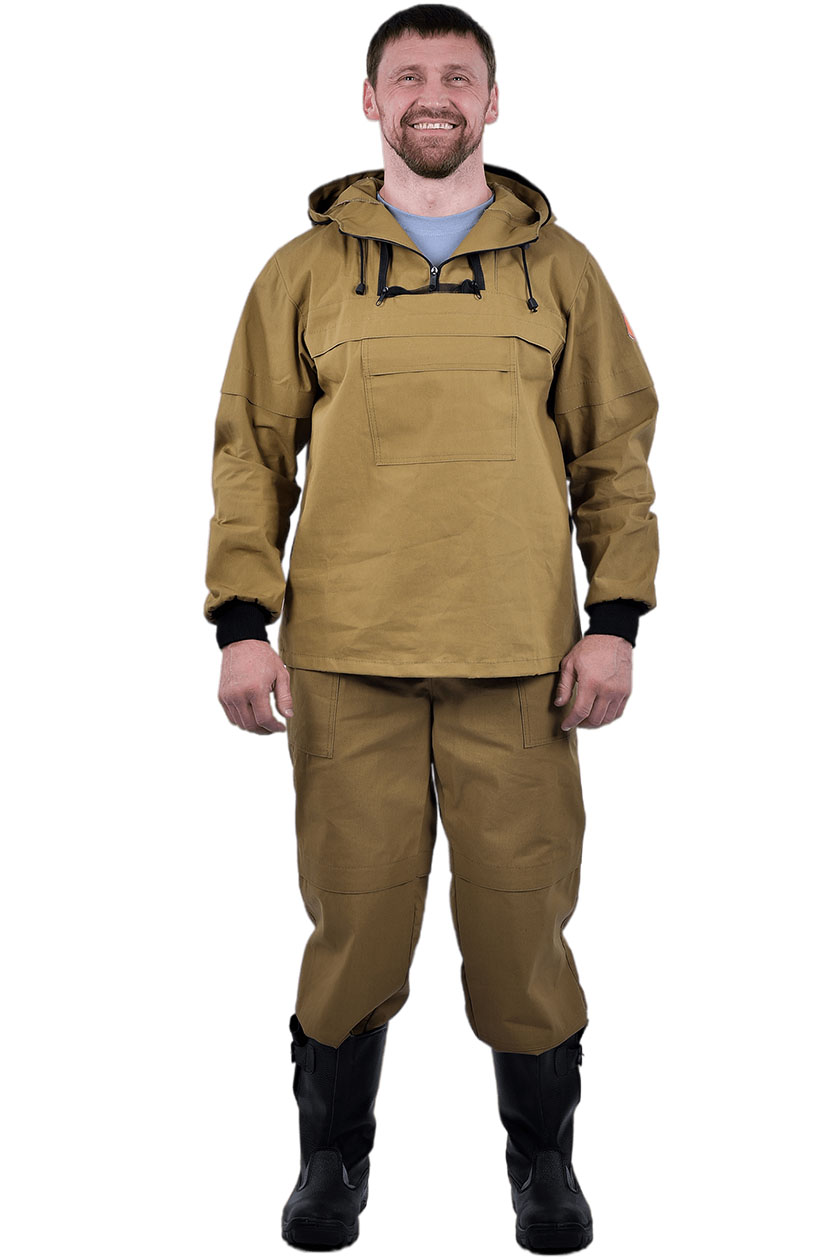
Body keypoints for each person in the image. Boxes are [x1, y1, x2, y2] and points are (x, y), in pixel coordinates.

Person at [203, 5, 659, 1253]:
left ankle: (544, 1166)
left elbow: (616, 457)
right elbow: (249, 456)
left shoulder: (562, 269)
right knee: (355, 926)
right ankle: (331, 1164)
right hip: (344, 658)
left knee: (521, 932)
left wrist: (615, 619)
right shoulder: (300, 273)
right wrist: (241, 621)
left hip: (522, 661)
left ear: (492, 103)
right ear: (372, 102)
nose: (433, 94)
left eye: (459, 74)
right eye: (407, 75)